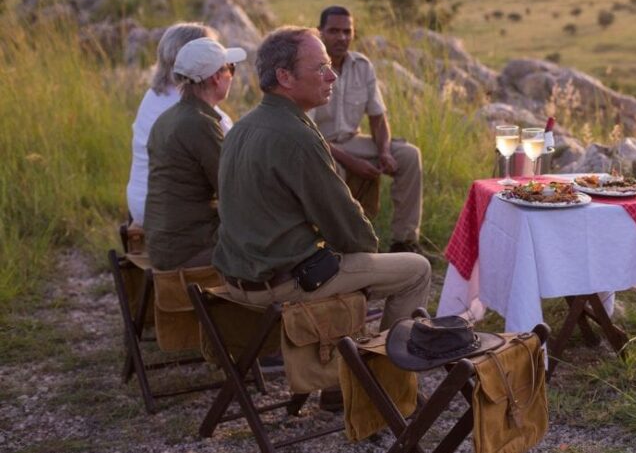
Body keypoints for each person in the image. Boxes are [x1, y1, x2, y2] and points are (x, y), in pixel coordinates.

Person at [213, 26, 432, 331]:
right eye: (321, 68)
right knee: (416, 270)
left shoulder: (242, 127)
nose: (332, 76)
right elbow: (348, 229)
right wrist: (370, 253)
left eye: (330, 66)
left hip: (239, 279)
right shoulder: (296, 135)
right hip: (282, 284)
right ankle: (386, 370)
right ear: (284, 77)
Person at [311, 6, 424, 253]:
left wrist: (384, 151)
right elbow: (307, 130)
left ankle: (404, 241)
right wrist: (351, 162)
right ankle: (341, 247)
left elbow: (378, 116)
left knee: (408, 155)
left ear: (353, 33)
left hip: (353, 141)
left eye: (346, 31)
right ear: (320, 33)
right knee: (335, 171)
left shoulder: (362, 66)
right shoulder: (312, 68)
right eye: (333, 31)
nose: (341, 37)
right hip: (320, 146)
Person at [144, 38, 244, 271]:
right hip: (189, 248)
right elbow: (234, 191)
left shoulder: (168, 118)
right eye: (231, 69)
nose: (232, 76)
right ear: (216, 77)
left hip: (165, 243)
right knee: (278, 247)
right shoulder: (200, 123)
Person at [126, 23, 233, 226]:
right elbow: (230, 168)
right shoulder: (191, 109)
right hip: (168, 214)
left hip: (141, 203)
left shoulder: (155, 96)